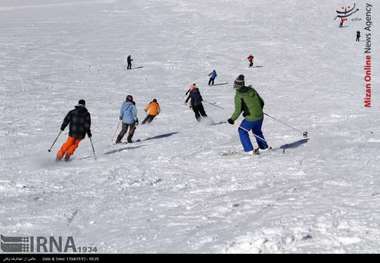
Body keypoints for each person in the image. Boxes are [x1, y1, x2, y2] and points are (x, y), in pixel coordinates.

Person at [227, 74, 269, 155]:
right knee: (257, 131)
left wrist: (232, 119)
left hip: (251, 117)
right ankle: (264, 147)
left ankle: (249, 150)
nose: (236, 86)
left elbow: (238, 110)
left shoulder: (238, 95)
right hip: (260, 115)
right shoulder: (251, 89)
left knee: (242, 130)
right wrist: (258, 110)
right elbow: (261, 101)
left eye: (236, 85)